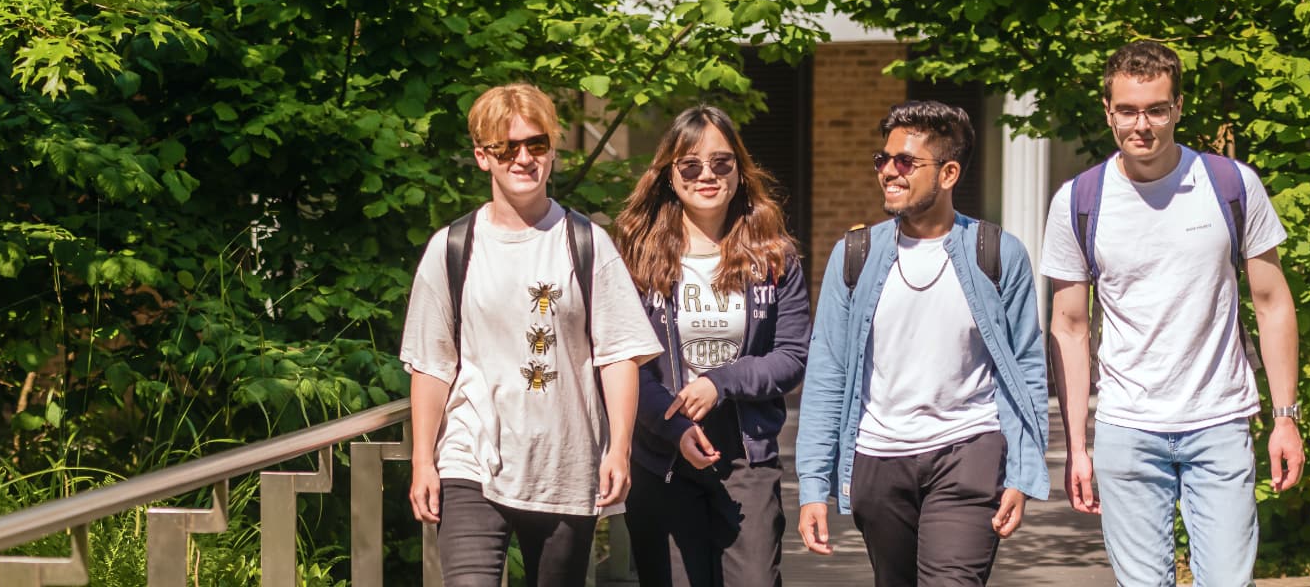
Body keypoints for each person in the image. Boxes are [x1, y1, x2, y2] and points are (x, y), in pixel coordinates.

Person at [1042, 40, 1304, 587]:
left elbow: (1273, 303)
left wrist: (1285, 417)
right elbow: (1068, 328)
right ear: (1108, 111)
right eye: (1130, 110)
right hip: (1127, 427)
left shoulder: (1231, 185)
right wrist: (1078, 446)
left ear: (1178, 108)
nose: (1144, 125)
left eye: (1157, 109)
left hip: (1220, 420)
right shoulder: (1078, 201)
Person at [398, 83, 663, 586]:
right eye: (507, 148)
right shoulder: (453, 247)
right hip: (470, 459)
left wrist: (620, 449)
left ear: (552, 150)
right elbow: (433, 364)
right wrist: (422, 463)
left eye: (536, 144)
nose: (524, 158)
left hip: (562, 463)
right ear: (483, 157)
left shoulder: (586, 243)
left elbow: (619, 355)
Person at [794, 100, 1050, 586]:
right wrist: (812, 486)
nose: (889, 172)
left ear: (948, 172)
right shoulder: (854, 256)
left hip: (969, 449)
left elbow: (1026, 367)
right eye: (883, 160)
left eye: (905, 162)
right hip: (878, 458)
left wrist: (1021, 470)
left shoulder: (996, 253)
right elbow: (826, 372)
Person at [611, 105, 808, 586]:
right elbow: (624, 360)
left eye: (721, 163)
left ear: (739, 170)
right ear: (669, 174)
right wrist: (673, 423)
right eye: (690, 165)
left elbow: (792, 356)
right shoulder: (636, 254)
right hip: (663, 452)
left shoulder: (773, 256)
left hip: (746, 452)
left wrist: (720, 383)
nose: (707, 175)